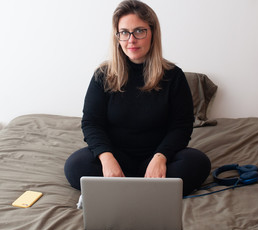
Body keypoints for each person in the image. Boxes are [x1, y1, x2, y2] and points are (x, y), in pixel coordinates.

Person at [64, 0, 211, 196]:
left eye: (139, 31)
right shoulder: (103, 75)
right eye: (124, 32)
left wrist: (161, 158)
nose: (131, 40)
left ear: (152, 33)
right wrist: (107, 158)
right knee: (75, 166)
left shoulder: (174, 76)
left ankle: (124, 190)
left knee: (197, 163)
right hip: (116, 156)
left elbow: (181, 126)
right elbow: (91, 123)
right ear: (117, 37)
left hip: (158, 156)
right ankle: (148, 190)